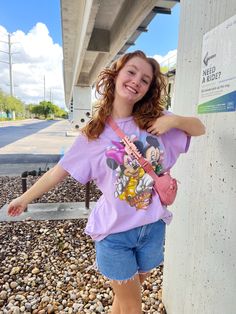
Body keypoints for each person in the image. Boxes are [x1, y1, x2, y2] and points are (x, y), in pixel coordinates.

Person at [8, 50, 205, 314]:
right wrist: (24, 199)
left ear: (148, 89)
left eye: (145, 80)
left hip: (152, 230)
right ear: (116, 75)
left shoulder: (155, 121)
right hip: (115, 234)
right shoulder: (93, 135)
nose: (137, 81)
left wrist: (174, 121)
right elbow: (58, 171)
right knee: (133, 306)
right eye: (131, 72)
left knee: (123, 302)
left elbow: (199, 128)